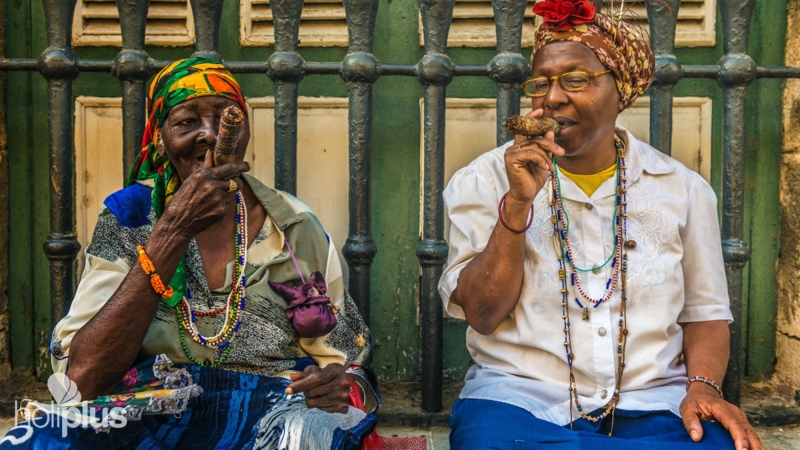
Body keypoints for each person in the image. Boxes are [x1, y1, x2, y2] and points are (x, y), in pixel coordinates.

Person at [1, 58, 378, 449]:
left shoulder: (294, 224)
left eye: (226, 118)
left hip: (273, 413)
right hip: (149, 411)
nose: (212, 136)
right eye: (186, 122)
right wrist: (173, 231)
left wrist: (339, 385)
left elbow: (349, 361)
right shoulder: (130, 217)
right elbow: (81, 381)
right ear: (159, 138)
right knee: (39, 441)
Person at [439, 1, 763, 449]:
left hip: (653, 404)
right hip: (521, 403)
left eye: (575, 79)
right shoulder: (483, 180)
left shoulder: (682, 189)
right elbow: (483, 314)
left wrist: (704, 387)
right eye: (542, 83)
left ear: (621, 88)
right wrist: (516, 204)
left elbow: (705, 314)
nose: (552, 98)